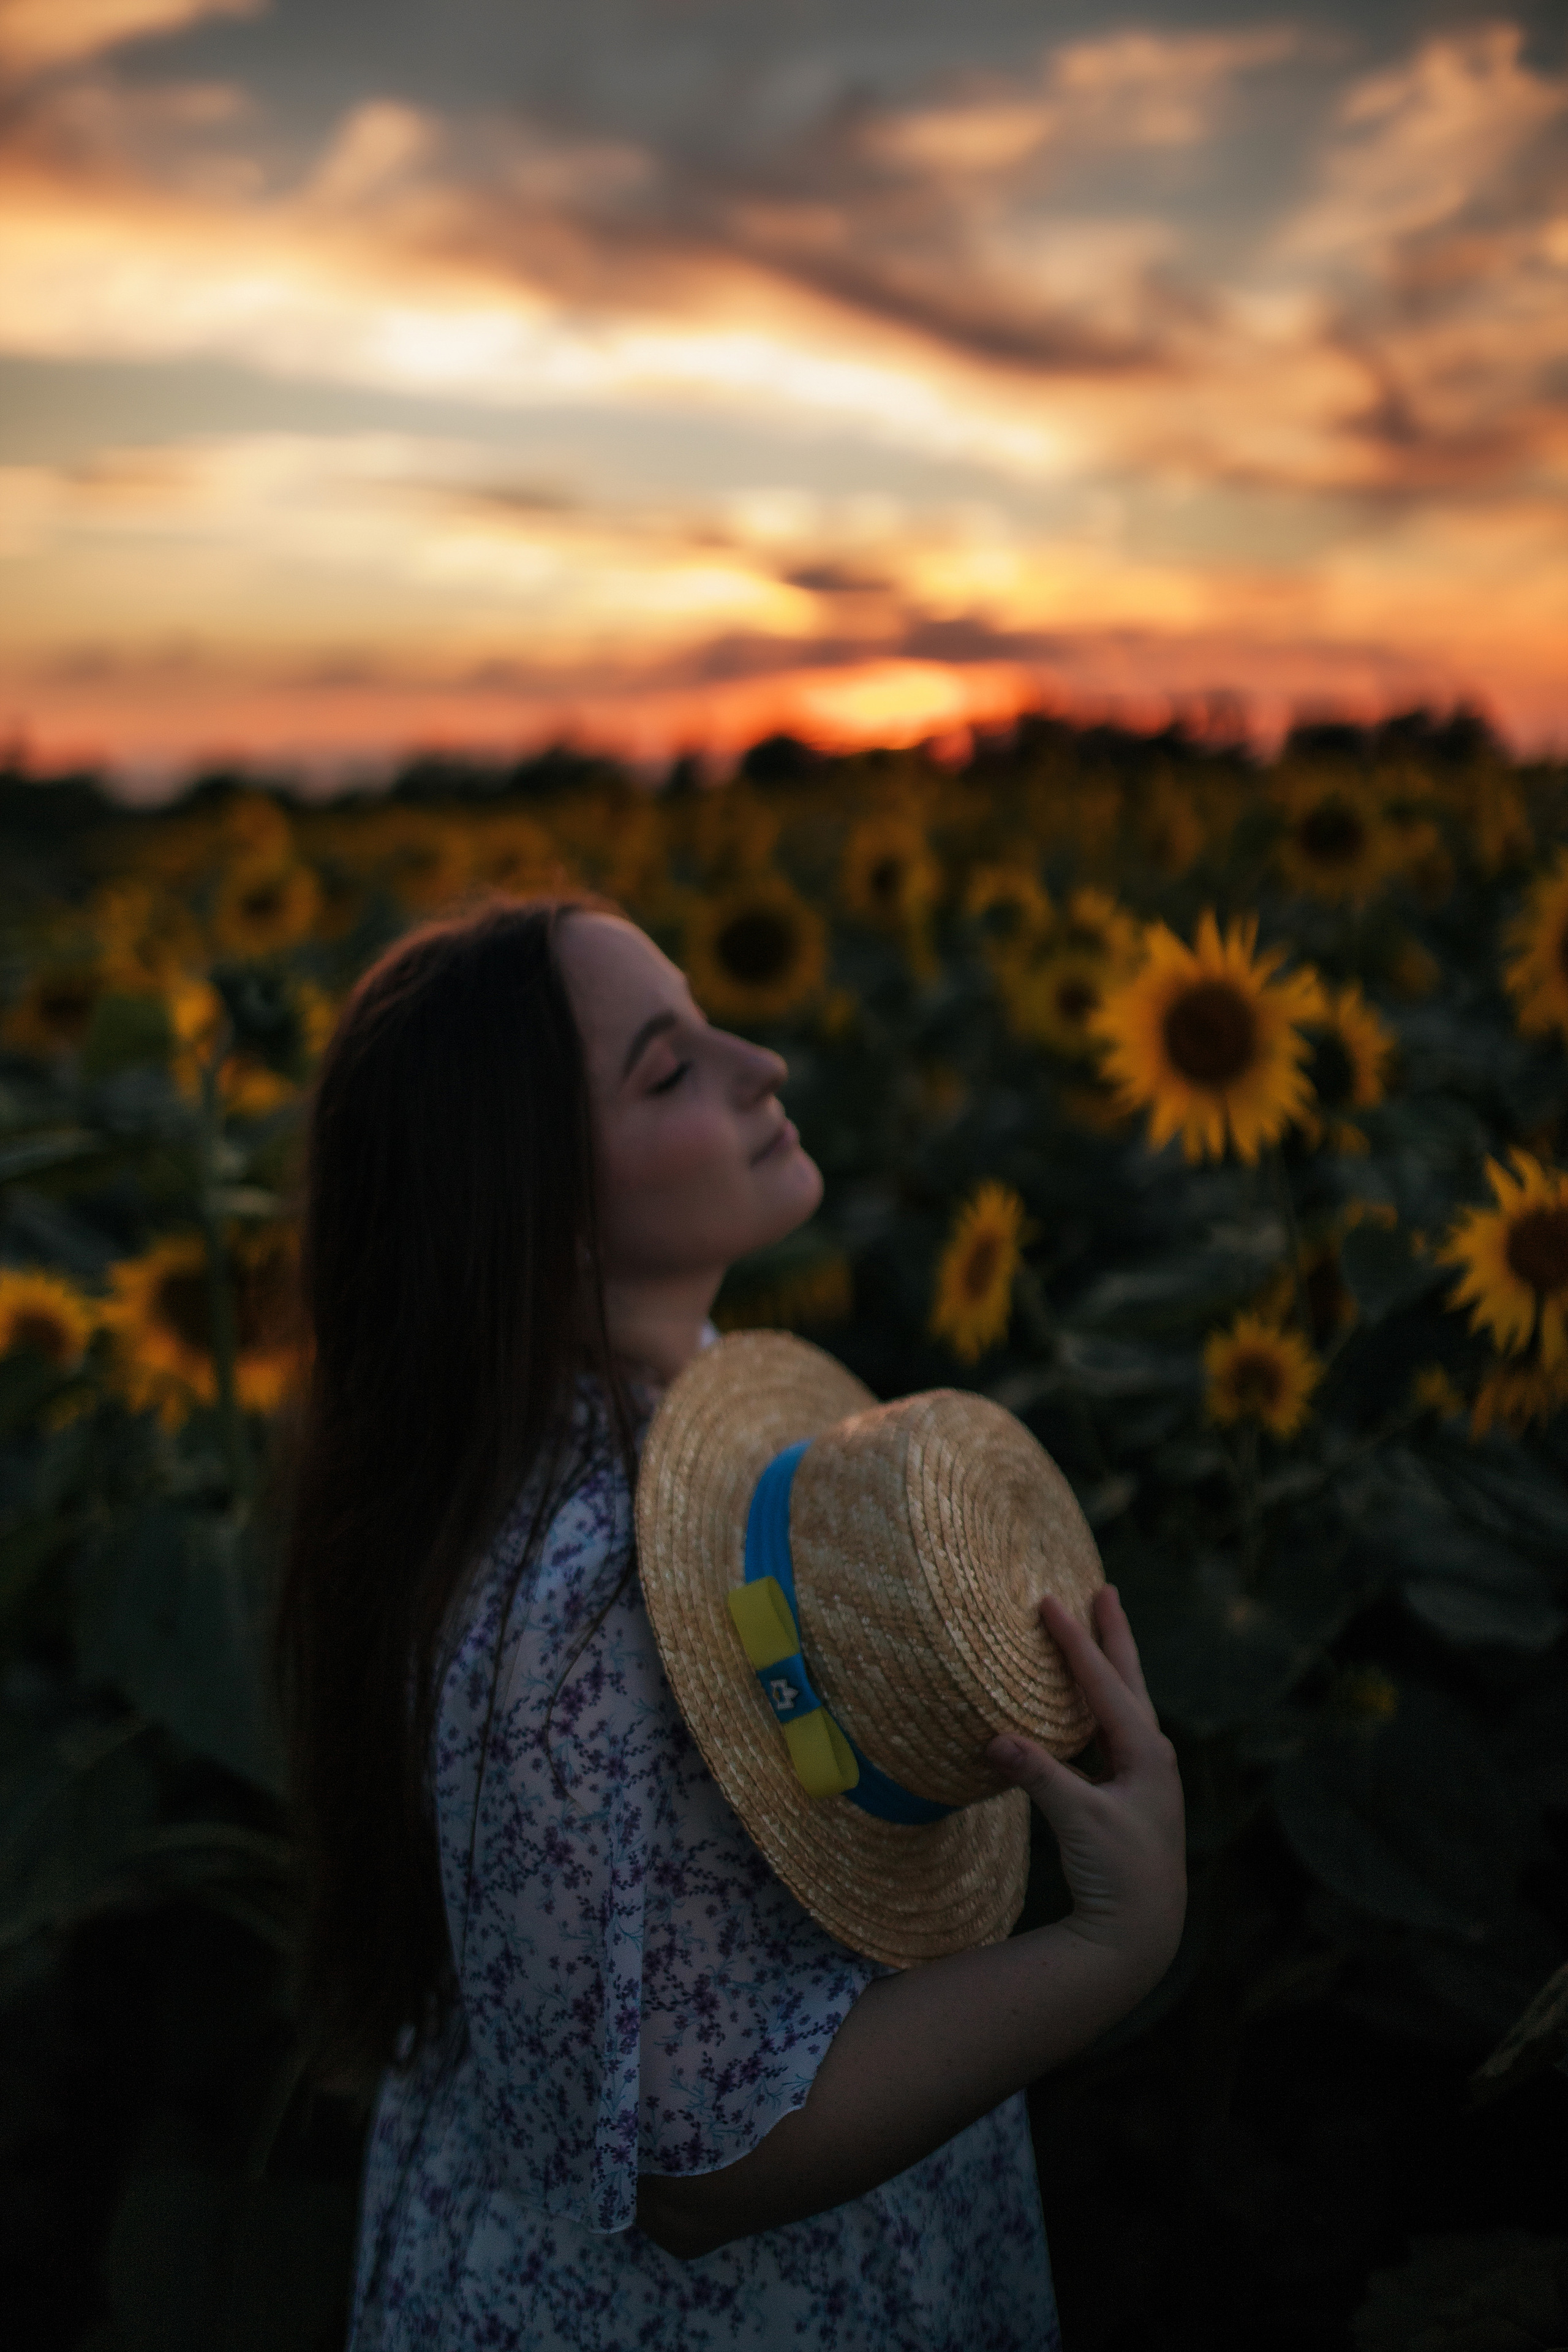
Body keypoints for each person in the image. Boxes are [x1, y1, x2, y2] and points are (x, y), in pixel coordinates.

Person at [274, 894, 1186, 2351]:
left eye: (707, 1019)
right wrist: (1108, 1946)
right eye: (666, 1068)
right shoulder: (582, 1587)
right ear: (528, 1202)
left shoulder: (629, 1434)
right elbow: (692, 2166)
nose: (757, 1061)